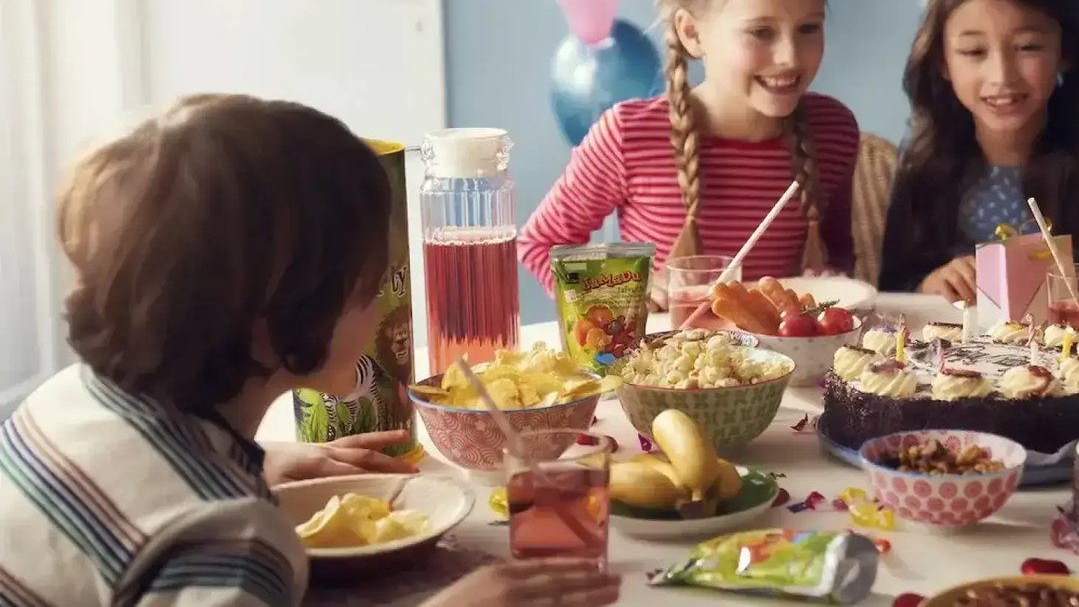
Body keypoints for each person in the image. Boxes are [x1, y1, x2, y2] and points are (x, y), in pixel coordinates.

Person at [0, 94, 619, 606]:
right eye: (371, 286)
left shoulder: (63, 399)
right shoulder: (231, 541)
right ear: (285, 317)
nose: (383, 310)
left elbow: (140, 496)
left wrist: (258, 462)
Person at [519, 0, 860, 295]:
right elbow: (539, 244)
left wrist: (832, 278)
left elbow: (838, 255)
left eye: (808, 28)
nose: (790, 56)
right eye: (761, 32)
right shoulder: (630, 135)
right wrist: (622, 289)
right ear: (692, 32)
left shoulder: (834, 132)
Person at [879, 0, 1079, 303]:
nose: (1002, 76)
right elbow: (891, 288)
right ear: (942, 60)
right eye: (974, 52)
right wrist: (929, 286)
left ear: (1066, 52)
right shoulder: (921, 169)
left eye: (1027, 47)